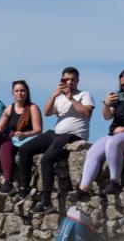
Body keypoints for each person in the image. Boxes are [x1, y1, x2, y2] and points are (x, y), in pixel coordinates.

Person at [17, 68, 94, 213]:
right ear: (62, 80)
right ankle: (24, 188)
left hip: (73, 136)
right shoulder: (59, 98)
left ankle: (46, 202)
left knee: (46, 160)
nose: (69, 82)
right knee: (25, 149)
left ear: (77, 80)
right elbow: (47, 112)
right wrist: (54, 95)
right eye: (66, 80)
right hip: (56, 134)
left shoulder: (85, 94)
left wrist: (71, 98)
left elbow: (87, 112)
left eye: (72, 79)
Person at [73, 69, 124, 201]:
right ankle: (83, 189)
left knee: (113, 143)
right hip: (116, 132)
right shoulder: (121, 96)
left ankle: (115, 181)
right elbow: (107, 116)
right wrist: (106, 104)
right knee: (92, 152)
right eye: (123, 85)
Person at [0, 80, 41, 195]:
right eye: (17, 91)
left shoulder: (33, 108)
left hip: (25, 140)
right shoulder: (9, 108)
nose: (20, 93)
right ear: (13, 93)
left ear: (27, 92)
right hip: (12, 138)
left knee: (5, 148)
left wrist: (25, 134)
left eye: (22, 90)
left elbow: (38, 130)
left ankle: (8, 182)